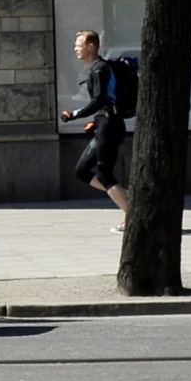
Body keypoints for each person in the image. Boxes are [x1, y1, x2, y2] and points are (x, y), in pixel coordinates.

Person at [61, 29, 131, 232]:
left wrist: (74, 114)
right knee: (82, 171)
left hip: (110, 126)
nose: (75, 49)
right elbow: (105, 103)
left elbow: (100, 100)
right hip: (105, 124)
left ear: (91, 47)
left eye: (79, 45)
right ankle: (126, 197)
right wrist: (96, 120)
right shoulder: (96, 68)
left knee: (104, 173)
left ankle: (132, 216)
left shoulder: (100, 69)